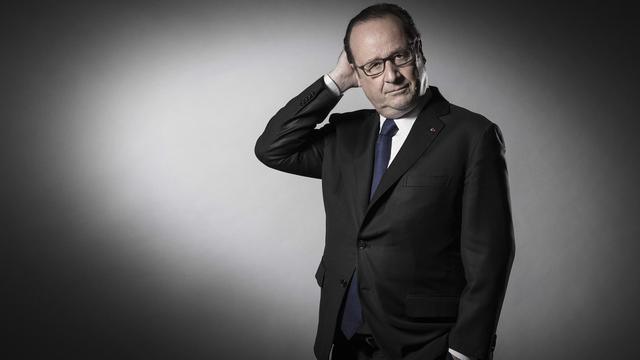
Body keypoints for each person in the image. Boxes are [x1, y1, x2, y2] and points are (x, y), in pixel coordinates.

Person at [255, 3, 515, 360]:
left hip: (424, 343)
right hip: (344, 335)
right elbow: (273, 149)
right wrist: (335, 81)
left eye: (400, 57)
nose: (390, 76)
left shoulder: (472, 136)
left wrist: (464, 350)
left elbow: (490, 255)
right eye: (373, 66)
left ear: (419, 51)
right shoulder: (345, 136)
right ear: (358, 75)